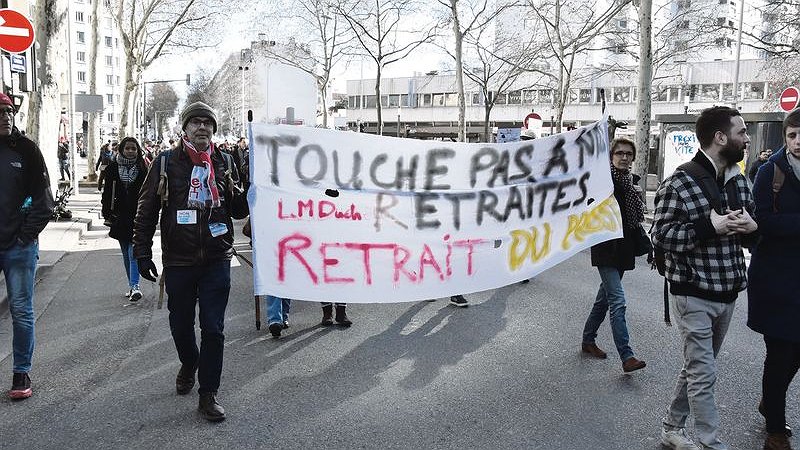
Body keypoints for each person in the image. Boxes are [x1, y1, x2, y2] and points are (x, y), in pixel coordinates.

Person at [133, 101, 248, 422]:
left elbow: (237, 211)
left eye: (207, 123)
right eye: (195, 122)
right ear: (184, 129)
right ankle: (189, 361)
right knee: (181, 324)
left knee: (214, 328)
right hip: (179, 260)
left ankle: (208, 393)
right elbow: (146, 209)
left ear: (213, 129)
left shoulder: (224, 161)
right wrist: (141, 251)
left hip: (217, 258)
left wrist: (245, 189)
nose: (202, 127)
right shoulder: (166, 162)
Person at [653, 106, 757, 450]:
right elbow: (662, 235)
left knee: (698, 366)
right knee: (703, 371)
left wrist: (753, 229)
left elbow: (751, 232)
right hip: (692, 292)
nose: (747, 138)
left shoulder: (740, 180)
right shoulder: (680, 181)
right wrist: (709, 226)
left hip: (727, 292)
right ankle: (711, 443)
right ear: (720, 137)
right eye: (741, 132)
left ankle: (671, 427)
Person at [747, 109, 800, 450]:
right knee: (779, 354)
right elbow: (761, 220)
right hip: (776, 280)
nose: (799, 142)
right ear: (785, 137)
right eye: (793, 135)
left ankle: (771, 400)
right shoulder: (771, 172)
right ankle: (775, 430)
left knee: (796, 354)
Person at [0, 92, 55, 399]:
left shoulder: (26, 150)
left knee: (21, 310)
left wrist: (25, 235)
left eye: (9, 111)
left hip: (18, 247)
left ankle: (21, 373)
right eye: (0, 112)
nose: (6, 116)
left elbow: (44, 201)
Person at [580, 137, 646, 373]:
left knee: (604, 299)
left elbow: (635, 221)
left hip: (624, 248)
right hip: (606, 248)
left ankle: (588, 340)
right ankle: (627, 356)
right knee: (618, 300)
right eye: (619, 153)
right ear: (611, 156)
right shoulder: (602, 183)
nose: (624, 157)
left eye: (628, 154)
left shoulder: (631, 184)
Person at [101, 137, 148, 302]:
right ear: (121, 150)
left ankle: (135, 286)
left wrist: (149, 213)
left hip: (137, 217)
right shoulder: (113, 168)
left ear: (138, 150)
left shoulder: (143, 168)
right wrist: (106, 213)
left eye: (133, 149)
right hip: (119, 217)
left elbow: (149, 194)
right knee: (125, 253)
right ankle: (131, 285)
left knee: (133, 252)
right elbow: (107, 193)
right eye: (127, 148)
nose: (130, 151)